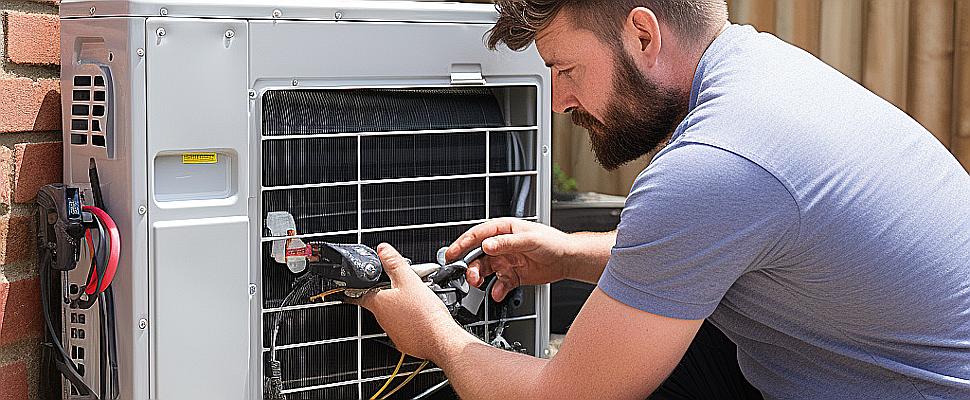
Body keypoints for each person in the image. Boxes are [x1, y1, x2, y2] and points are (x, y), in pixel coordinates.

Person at [353, 1, 970, 398]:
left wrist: (434, 335)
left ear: (643, 34)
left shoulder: (717, 162)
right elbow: (735, 246)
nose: (558, 101)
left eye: (565, 69)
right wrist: (569, 254)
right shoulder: (762, 71)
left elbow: (562, 399)